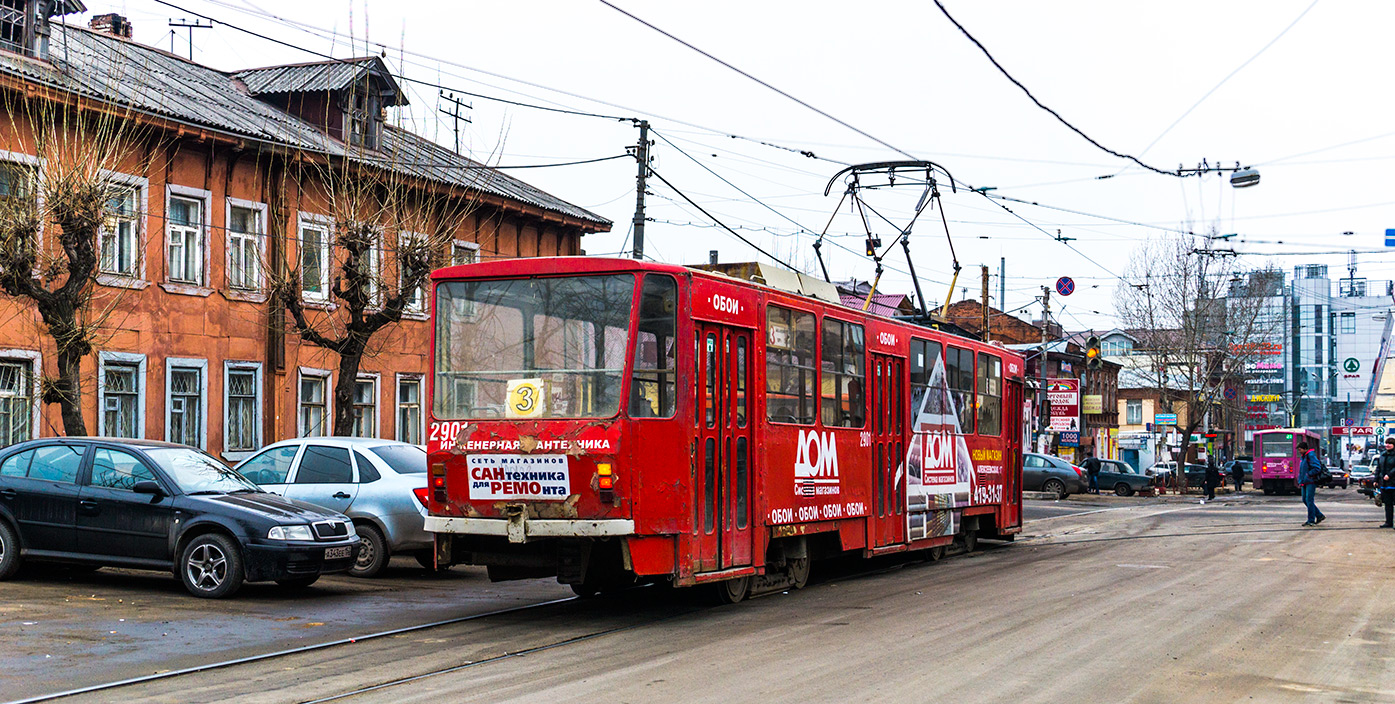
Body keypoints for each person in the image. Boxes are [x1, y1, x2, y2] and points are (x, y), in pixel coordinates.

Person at [1296, 440, 1326, 527]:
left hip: (1310, 481)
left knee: (1309, 500)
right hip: (1304, 482)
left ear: (1305, 449)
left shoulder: (1310, 455)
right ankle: (1319, 515)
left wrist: (1308, 475)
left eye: (1300, 449)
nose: (1299, 451)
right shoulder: (1304, 456)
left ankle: (1311, 520)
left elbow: (1317, 468)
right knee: (1305, 500)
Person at [1378, 437, 1395, 529]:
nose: (1387, 445)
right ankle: (1388, 522)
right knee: (1388, 504)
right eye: (1386, 443)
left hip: (1393, 483)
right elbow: (1379, 468)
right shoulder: (1383, 455)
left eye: (1390, 444)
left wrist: (1389, 475)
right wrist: (1376, 480)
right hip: (1385, 484)